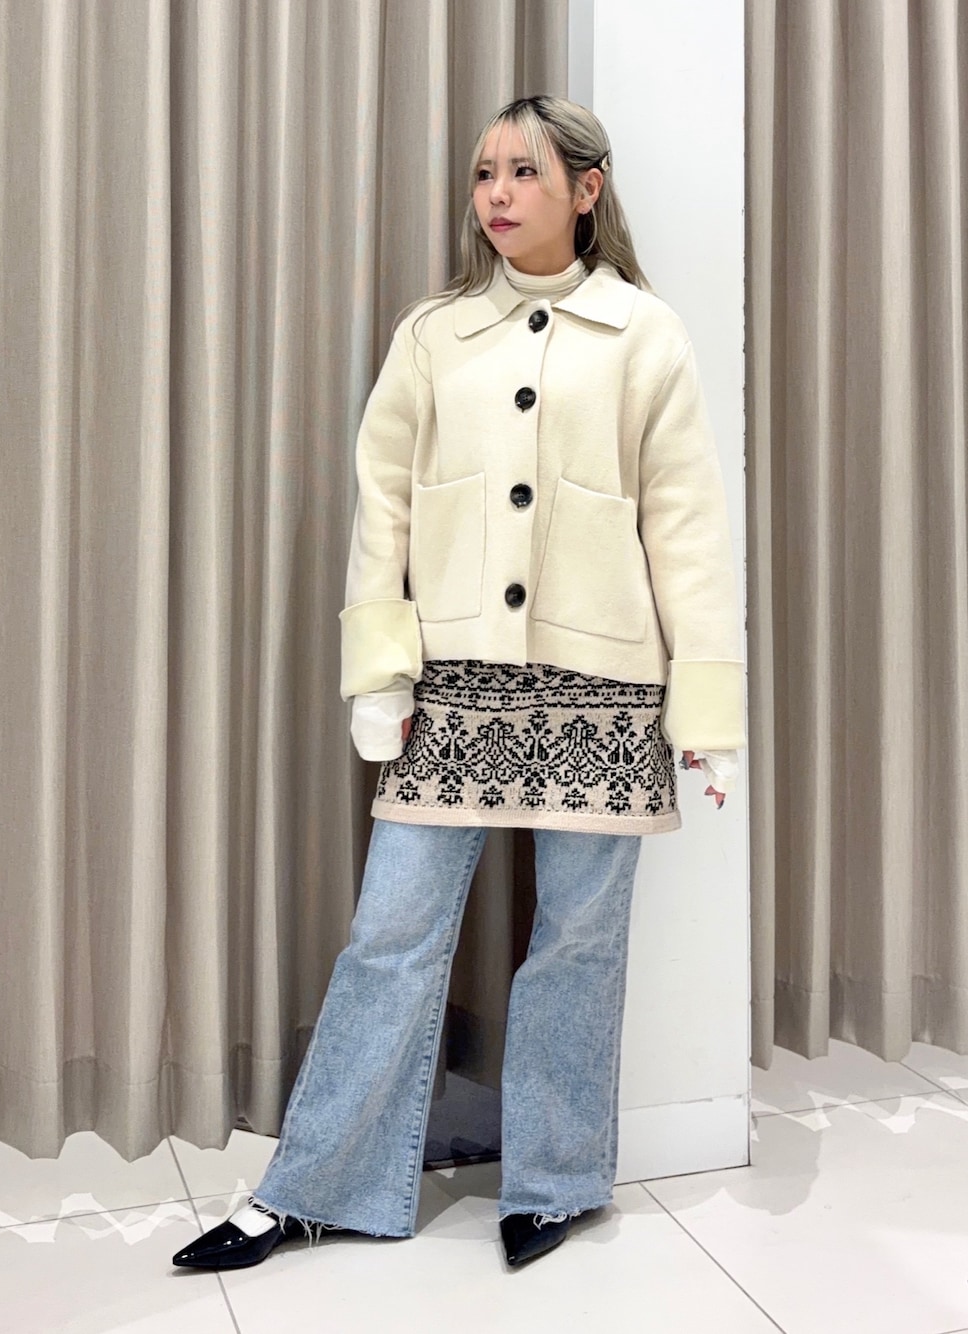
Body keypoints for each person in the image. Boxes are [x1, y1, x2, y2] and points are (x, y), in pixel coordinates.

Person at [172, 94, 744, 1275]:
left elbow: (685, 524)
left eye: (522, 172)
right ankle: (316, 1185)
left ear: (585, 188)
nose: (495, 194)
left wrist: (706, 709)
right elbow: (382, 503)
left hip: (604, 685)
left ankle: (556, 1177)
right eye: (485, 173)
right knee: (391, 933)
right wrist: (379, 671)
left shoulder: (644, 334)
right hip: (453, 679)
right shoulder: (433, 334)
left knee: (578, 942)